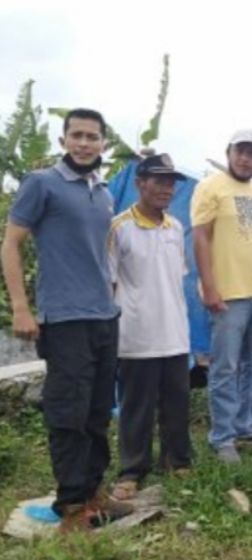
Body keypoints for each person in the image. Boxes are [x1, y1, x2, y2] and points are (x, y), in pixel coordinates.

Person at [0, 108, 133, 533]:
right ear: (63, 140)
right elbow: (11, 244)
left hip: (102, 316)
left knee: (97, 411)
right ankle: (73, 507)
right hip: (64, 319)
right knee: (68, 413)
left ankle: (95, 493)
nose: (84, 143)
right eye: (76, 135)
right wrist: (21, 306)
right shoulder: (42, 184)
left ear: (103, 144)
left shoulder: (104, 190)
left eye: (92, 137)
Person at [191, 130, 252, 464]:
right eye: (240, 152)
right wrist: (209, 286)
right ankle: (223, 437)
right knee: (225, 367)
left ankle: (250, 425)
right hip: (229, 294)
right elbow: (200, 237)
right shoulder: (211, 187)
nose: (245, 158)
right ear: (229, 152)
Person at [109, 154, 191, 499]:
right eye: (158, 181)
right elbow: (109, 283)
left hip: (174, 332)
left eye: (171, 182)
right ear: (140, 182)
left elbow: (176, 279)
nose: (166, 189)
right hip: (136, 333)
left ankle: (178, 460)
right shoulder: (120, 227)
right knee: (136, 406)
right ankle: (132, 470)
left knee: (176, 403)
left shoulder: (174, 228)